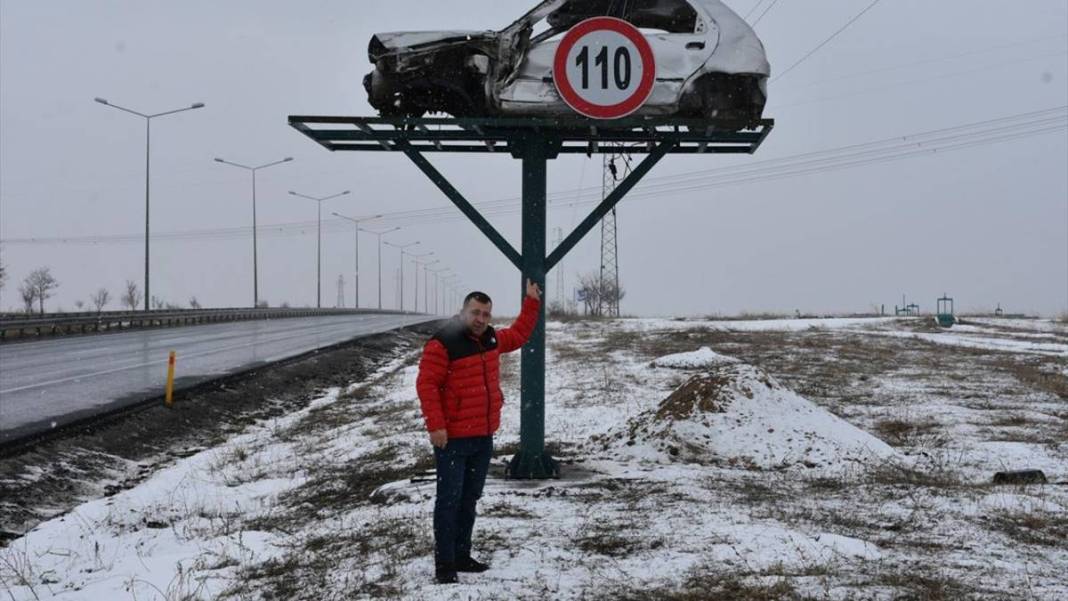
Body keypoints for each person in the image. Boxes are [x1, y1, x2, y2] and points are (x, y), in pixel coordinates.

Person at [416, 279, 541, 584]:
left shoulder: (492, 339)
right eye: (475, 312)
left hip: (483, 436)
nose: (480, 319)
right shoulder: (443, 343)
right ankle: (445, 564)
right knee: (449, 500)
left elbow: (520, 334)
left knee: (469, 498)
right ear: (464, 312)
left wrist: (532, 302)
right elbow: (427, 385)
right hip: (453, 438)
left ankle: (462, 555)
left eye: (485, 314)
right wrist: (436, 426)